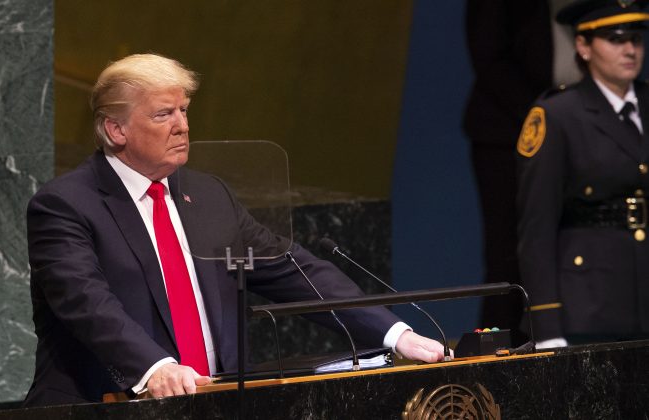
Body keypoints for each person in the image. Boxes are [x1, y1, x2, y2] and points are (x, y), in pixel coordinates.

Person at [24, 53, 446, 406]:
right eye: (163, 114)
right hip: (105, 403)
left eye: (184, 110)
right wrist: (156, 368)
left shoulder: (209, 196)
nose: (182, 126)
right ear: (116, 130)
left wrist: (395, 335)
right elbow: (87, 303)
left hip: (216, 403)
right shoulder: (65, 205)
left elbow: (294, 272)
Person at [517, 0, 649, 348]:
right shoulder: (559, 115)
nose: (630, 50)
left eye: (636, 38)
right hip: (591, 303)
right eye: (615, 39)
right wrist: (546, 327)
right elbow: (537, 230)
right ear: (583, 46)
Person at [464, 0, 582, 345]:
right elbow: (488, 55)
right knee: (508, 258)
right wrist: (547, 118)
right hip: (509, 130)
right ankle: (497, 372)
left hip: (586, 126)